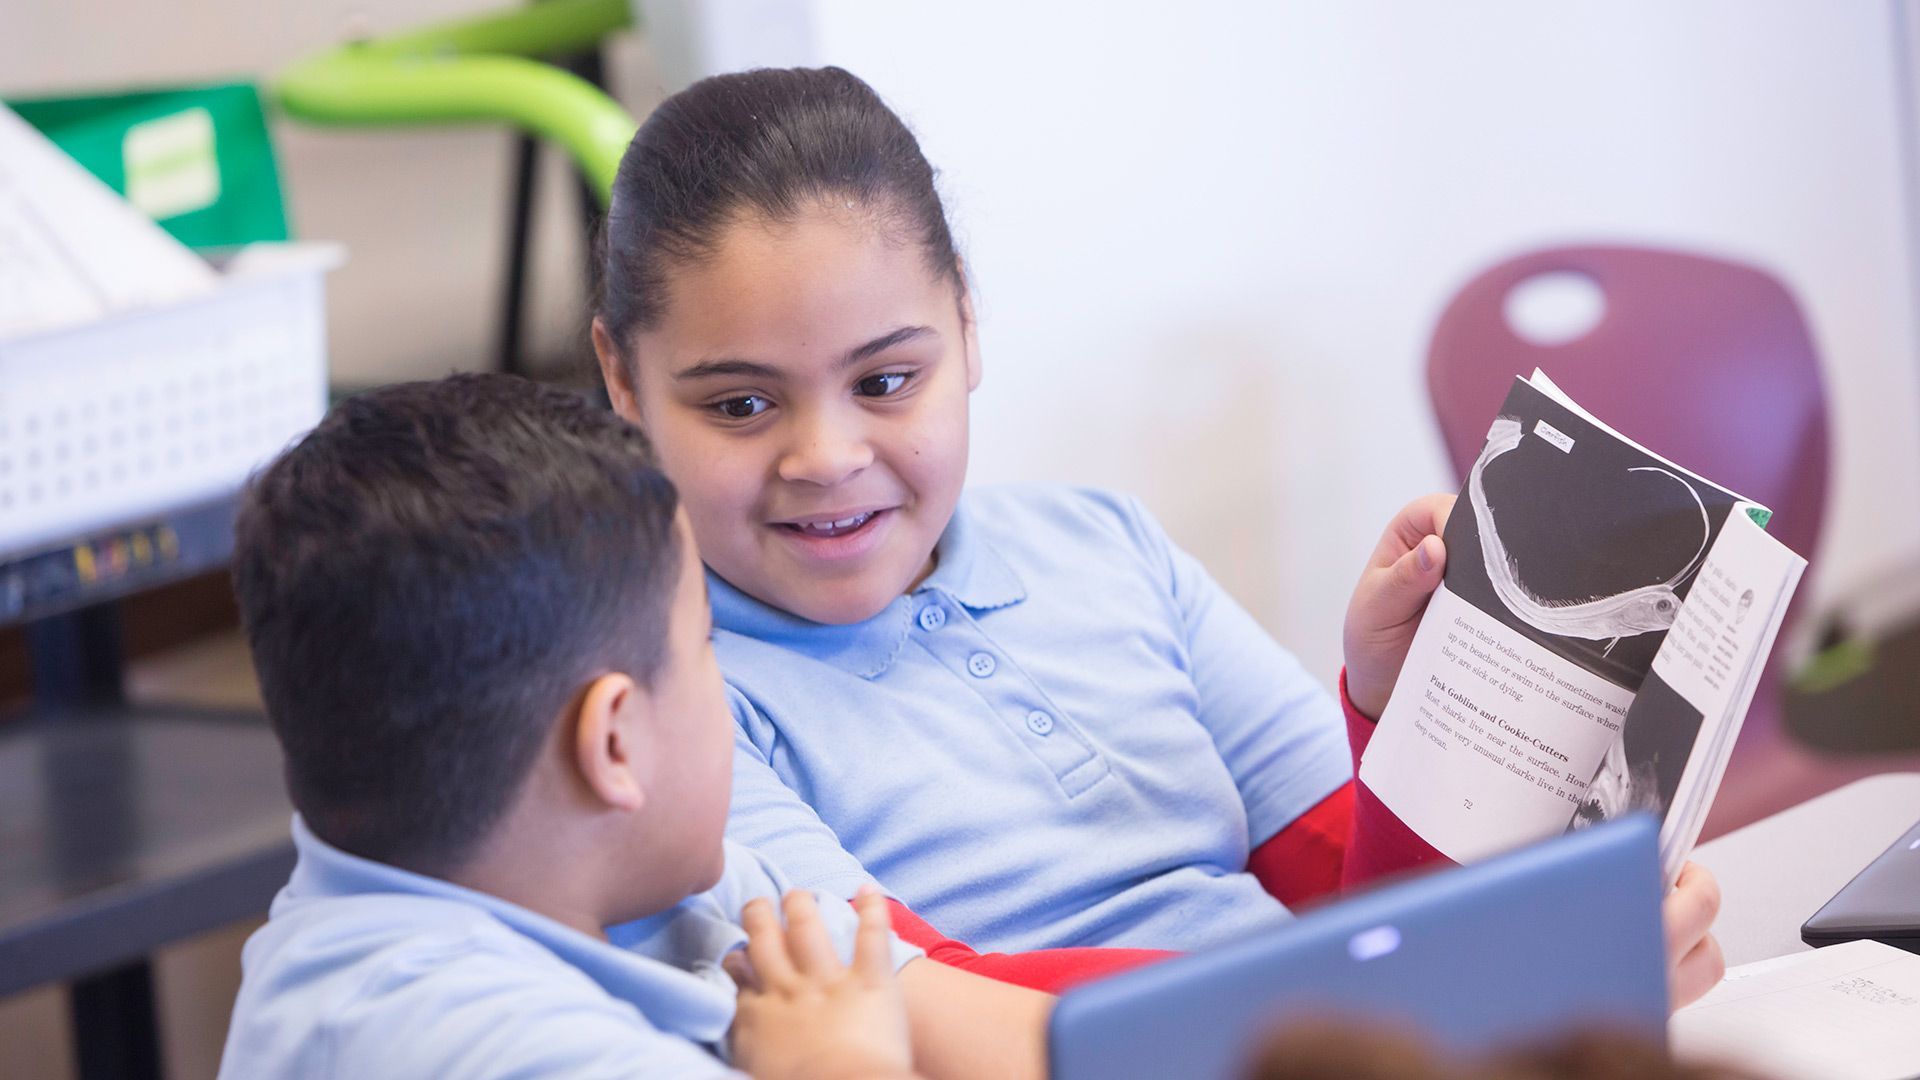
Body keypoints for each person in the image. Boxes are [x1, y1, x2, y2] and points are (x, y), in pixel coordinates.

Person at [588, 65, 1722, 1006]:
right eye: (740, 405)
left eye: (887, 379)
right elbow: (926, 1018)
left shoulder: (1104, 547)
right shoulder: (679, 707)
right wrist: (1440, 1003)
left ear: (969, 328)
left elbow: (1348, 880)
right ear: (621, 381)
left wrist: (1394, 711)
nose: (825, 457)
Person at [217, 374, 1051, 1079]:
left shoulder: (662, 878)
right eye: (705, 649)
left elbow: (1031, 1044)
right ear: (614, 744)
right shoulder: (440, 1039)